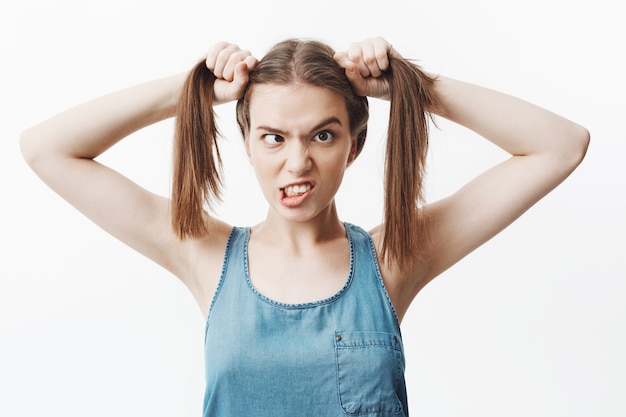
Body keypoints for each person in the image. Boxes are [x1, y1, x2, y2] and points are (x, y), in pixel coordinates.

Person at [20, 37, 589, 416]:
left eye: (322, 135)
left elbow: (559, 146)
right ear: (246, 141)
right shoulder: (202, 252)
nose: (297, 164)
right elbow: (47, 150)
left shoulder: (395, 258)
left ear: (354, 145)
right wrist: (194, 89)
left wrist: (407, 85)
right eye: (273, 137)